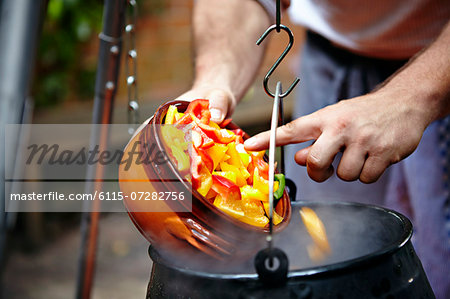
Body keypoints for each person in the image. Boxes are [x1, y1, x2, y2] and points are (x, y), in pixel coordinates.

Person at [174, 0, 450, 297]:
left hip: (438, 65)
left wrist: (413, 98)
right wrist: (216, 81)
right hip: (330, 58)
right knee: (325, 245)